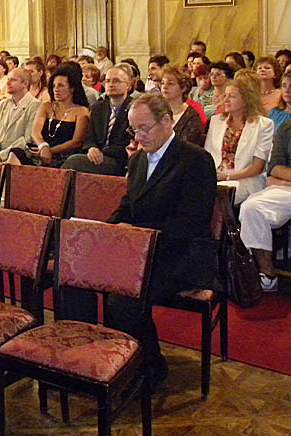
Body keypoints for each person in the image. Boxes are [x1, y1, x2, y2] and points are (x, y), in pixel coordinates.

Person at [65, 93, 217, 390]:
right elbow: (127, 207)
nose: (138, 137)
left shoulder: (195, 160)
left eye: (144, 128)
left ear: (167, 121)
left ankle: (148, 367)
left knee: (124, 295)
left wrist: (137, 234)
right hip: (139, 249)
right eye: (133, 129)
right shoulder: (138, 161)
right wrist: (105, 231)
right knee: (76, 276)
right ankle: (88, 359)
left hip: (179, 254)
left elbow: (191, 223)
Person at [239, 118, 291, 292]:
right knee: (252, 207)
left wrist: (282, 179)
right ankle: (266, 273)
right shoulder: (287, 127)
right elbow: (275, 168)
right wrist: (281, 180)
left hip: (286, 182)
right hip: (286, 188)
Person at [205, 76, 273, 204]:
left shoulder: (263, 125)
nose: (225, 100)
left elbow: (257, 167)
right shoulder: (216, 121)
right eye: (225, 95)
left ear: (245, 100)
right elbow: (207, 155)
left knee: (212, 194)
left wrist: (227, 176)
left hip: (244, 180)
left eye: (231, 96)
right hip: (215, 176)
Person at [10, 64, 90, 168]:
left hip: (64, 155)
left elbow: (76, 142)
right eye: (54, 86)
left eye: (61, 85)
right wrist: (43, 146)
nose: (56, 89)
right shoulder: (46, 106)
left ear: (72, 88)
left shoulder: (81, 111)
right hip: (41, 149)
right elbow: (35, 132)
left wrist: (50, 151)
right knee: (15, 153)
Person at [62, 65, 132, 175]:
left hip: (121, 160)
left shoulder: (134, 108)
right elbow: (89, 136)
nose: (111, 84)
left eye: (116, 81)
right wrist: (91, 148)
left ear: (128, 85)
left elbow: (130, 142)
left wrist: (101, 152)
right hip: (97, 156)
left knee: (74, 162)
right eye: (107, 81)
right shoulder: (98, 107)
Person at [159, 65, 204, 147]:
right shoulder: (156, 111)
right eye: (162, 83)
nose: (165, 87)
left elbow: (189, 148)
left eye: (170, 83)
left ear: (183, 88)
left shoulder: (191, 117)